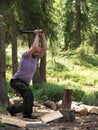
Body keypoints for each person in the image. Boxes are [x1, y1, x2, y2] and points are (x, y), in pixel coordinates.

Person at [7, 30, 47, 119]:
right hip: (16, 81)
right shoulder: (26, 55)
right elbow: (35, 47)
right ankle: (27, 115)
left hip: (24, 83)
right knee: (28, 93)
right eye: (36, 52)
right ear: (32, 50)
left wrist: (43, 35)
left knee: (29, 100)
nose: (37, 53)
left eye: (38, 52)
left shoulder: (36, 58)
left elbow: (44, 49)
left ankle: (12, 109)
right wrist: (36, 34)